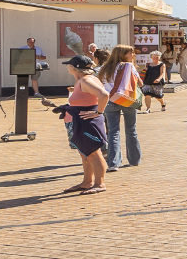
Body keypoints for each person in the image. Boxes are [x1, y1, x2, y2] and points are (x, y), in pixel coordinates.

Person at [58, 55, 108, 194]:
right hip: (80, 120)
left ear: (75, 68)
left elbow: (104, 95)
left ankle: (99, 183)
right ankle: (87, 182)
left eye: (69, 65)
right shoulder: (83, 80)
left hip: (87, 121)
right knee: (85, 154)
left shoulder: (86, 80)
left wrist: (98, 112)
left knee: (93, 153)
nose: (68, 67)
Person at [101, 44, 141, 171]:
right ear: (123, 54)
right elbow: (140, 83)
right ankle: (134, 159)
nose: (133, 55)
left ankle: (113, 163)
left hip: (110, 100)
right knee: (130, 130)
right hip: (127, 99)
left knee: (113, 132)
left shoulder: (104, 68)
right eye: (131, 53)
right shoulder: (128, 66)